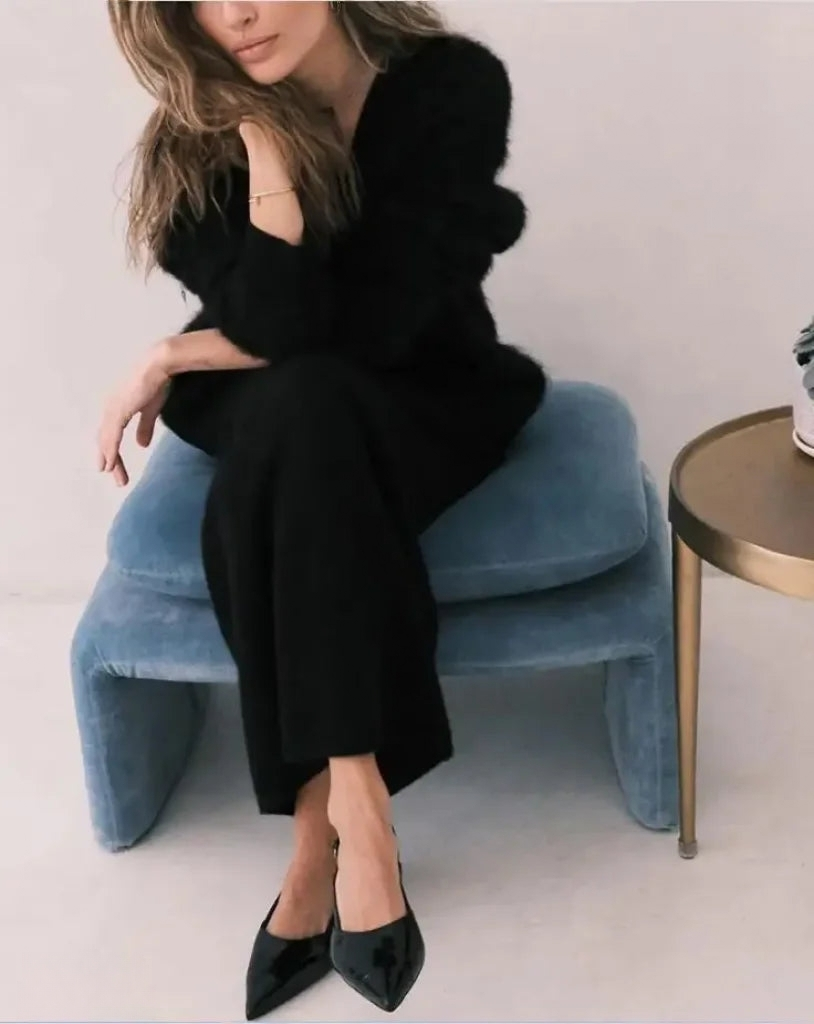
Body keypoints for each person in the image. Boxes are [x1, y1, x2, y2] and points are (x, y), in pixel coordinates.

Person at [100, 1, 547, 1017]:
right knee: (301, 415)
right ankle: (352, 807)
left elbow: (379, 316)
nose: (237, 14)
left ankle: (315, 845)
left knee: (298, 423)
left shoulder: (447, 84)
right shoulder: (193, 144)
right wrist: (264, 140)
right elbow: (282, 319)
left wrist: (174, 351)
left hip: (428, 388)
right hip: (289, 408)